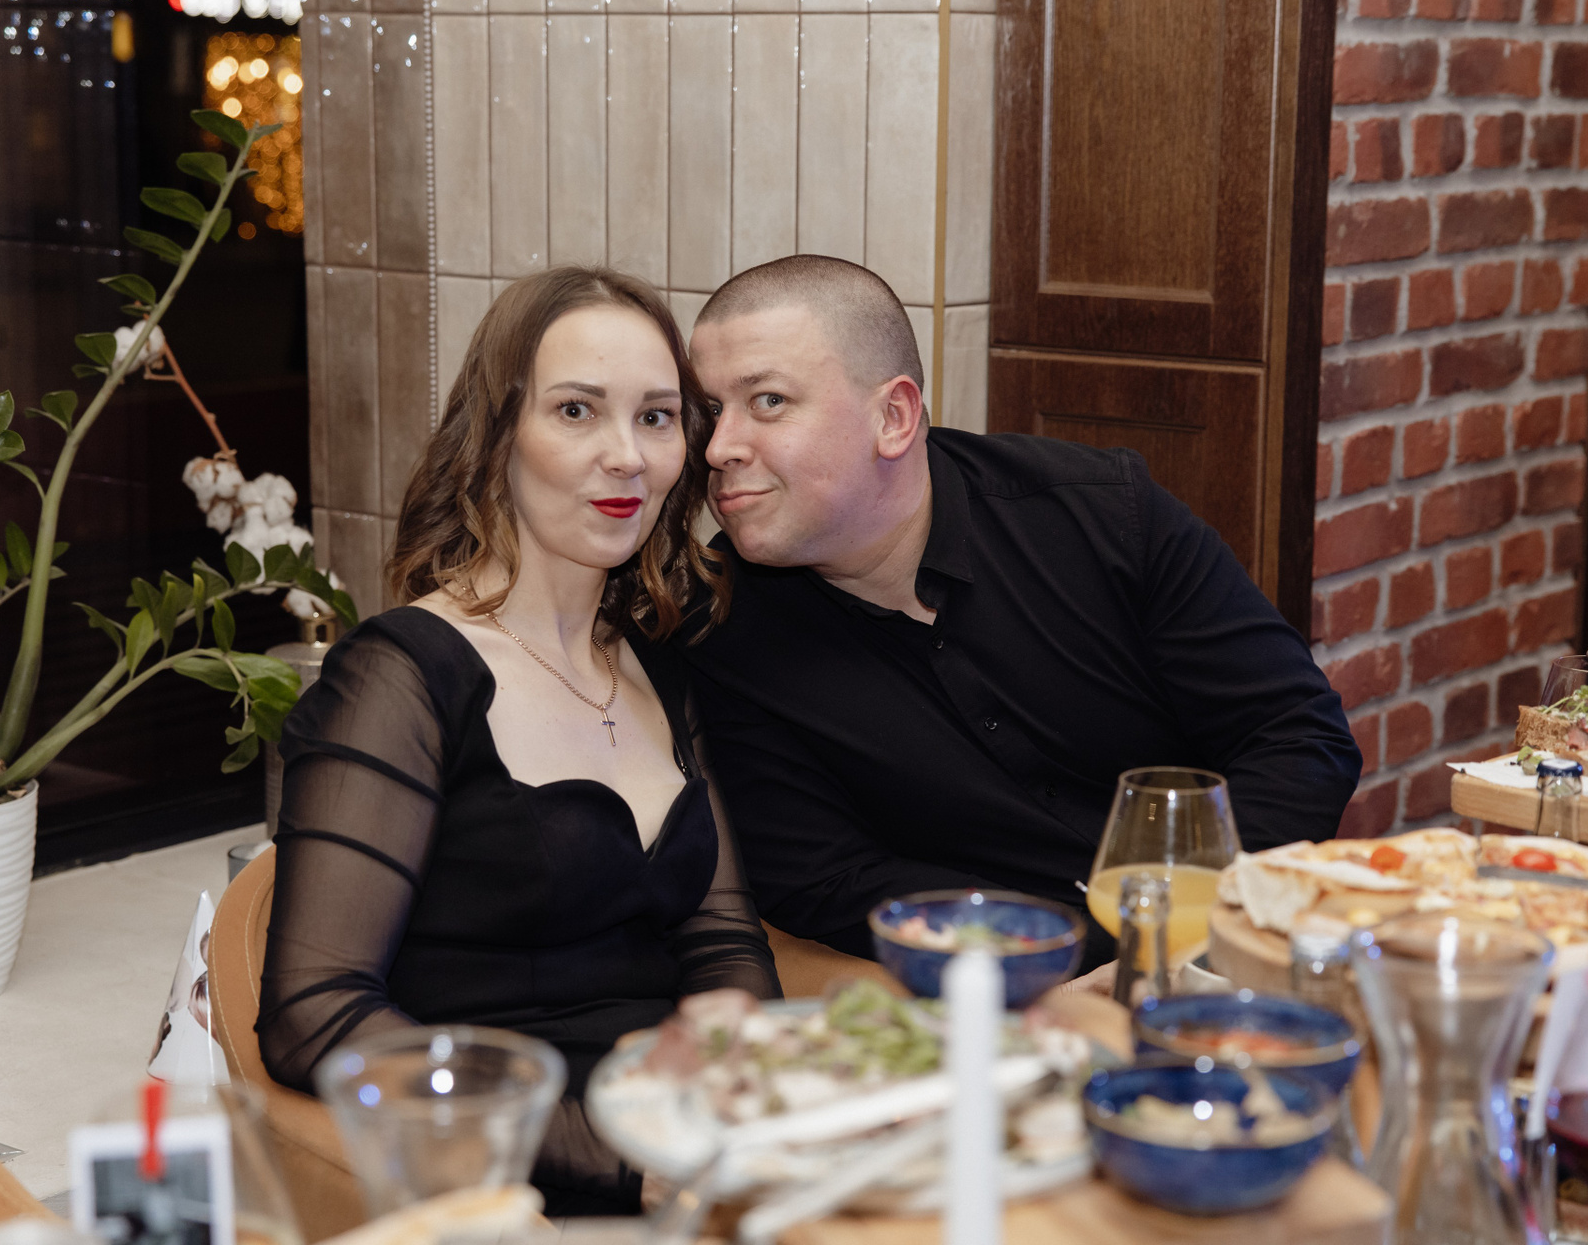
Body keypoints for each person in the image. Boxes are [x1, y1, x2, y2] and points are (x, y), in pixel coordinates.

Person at [256, 267, 780, 1216]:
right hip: (510, 1186)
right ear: (497, 435)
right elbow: (314, 1010)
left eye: (657, 418)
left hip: (688, 1152)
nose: (627, 456)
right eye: (577, 411)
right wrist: (612, 1160)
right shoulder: (401, 678)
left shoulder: (656, 666)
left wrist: (747, 1079)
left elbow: (722, 937)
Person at [677, 255, 1362, 969]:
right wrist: (1063, 959)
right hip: (997, 988)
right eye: (710, 411)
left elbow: (1299, 739)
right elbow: (825, 880)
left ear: (893, 417)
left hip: (1222, 945)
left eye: (769, 401)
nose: (719, 449)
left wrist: (1167, 928)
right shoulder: (721, 627)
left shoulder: (1100, 514)